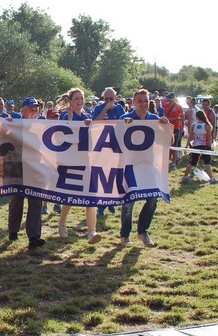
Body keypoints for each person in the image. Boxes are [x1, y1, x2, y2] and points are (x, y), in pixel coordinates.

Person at [119, 89, 170, 248]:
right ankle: (125, 235)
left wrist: (166, 127)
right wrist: (123, 127)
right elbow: (114, 140)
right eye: (140, 101)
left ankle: (143, 231)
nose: (143, 104)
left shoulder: (155, 120)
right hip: (130, 165)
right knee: (128, 201)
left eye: (146, 101)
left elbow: (169, 141)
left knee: (153, 198)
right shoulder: (125, 118)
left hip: (149, 165)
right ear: (133, 103)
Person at [56, 88, 100, 244]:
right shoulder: (64, 117)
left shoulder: (88, 116)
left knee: (91, 197)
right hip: (71, 162)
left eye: (82, 98)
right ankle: (62, 223)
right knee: (70, 197)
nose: (80, 101)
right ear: (70, 101)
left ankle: (91, 232)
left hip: (86, 161)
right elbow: (63, 137)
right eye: (77, 98)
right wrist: (70, 119)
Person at [8, 97, 46, 249]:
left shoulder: (43, 126)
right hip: (18, 169)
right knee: (17, 201)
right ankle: (13, 231)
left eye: (36, 108)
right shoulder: (15, 125)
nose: (34, 110)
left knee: (36, 203)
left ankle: (34, 237)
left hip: (35, 169)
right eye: (30, 108)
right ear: (22, 110)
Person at [92, 87, 126, 217]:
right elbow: (95, 123)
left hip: (116, 147)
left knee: (114, 176)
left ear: (116, 98)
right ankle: (101, 205)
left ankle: (111, 201)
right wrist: (105, 109)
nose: (109, 101)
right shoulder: (98, 108)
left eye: (111, 98)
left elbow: (124, 124)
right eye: (106, 99)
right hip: (101, 148)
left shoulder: (119, 109)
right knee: (102, 177)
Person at [181, 110, 218, 184]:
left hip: (196, 146)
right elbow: (209, 138)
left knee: (192, 162)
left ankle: (185, 176)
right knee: (207, 163)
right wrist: (210, 147)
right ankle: (212, 178)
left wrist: (186, 145)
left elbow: (190, 137)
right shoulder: (207, 125)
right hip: (205, 146)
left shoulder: (193, 125)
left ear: (197, 117)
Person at [163, 92, 184, 170]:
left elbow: (182, 118)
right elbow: (164, 115)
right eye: (168, 97)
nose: (169, 99)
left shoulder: (179, 107)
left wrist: (173, 119)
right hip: (167, 127)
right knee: (167, 145)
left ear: (174, 98)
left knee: (174, 146)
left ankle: (174, 163)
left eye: (170, 98)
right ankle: (166, 161)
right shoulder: (166, 105)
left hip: (176, 127)